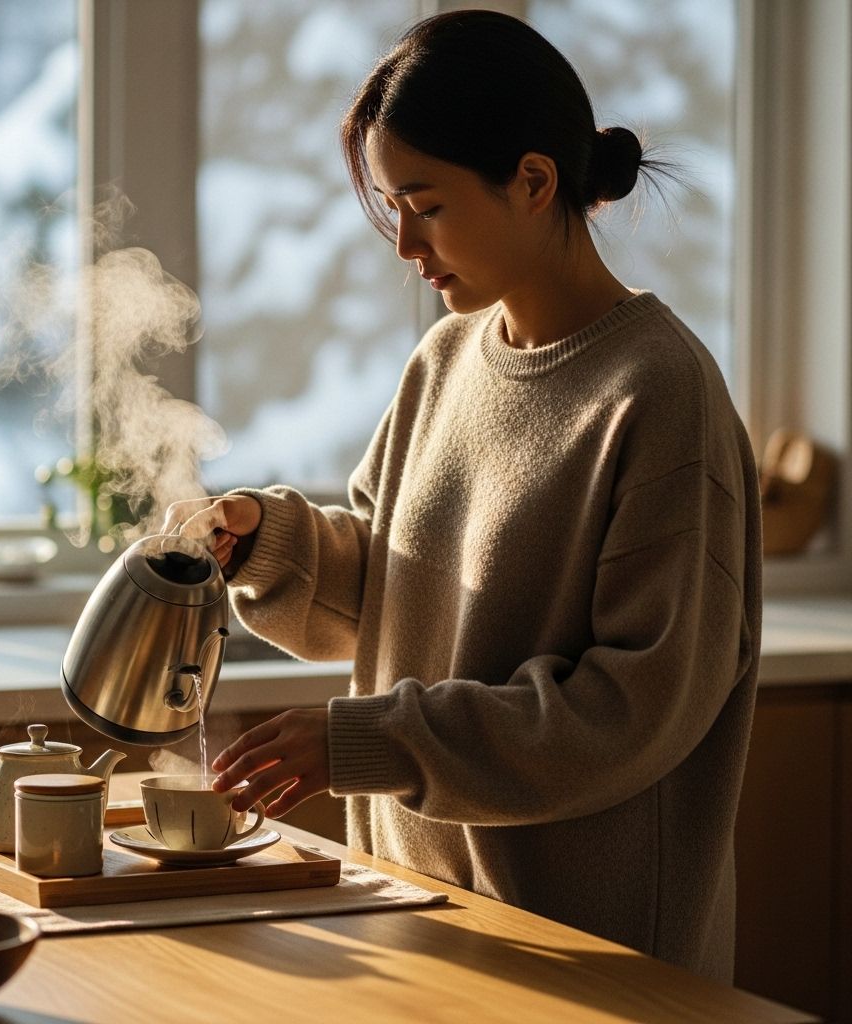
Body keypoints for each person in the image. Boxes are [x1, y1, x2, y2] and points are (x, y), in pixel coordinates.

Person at [164, 9, 760, 983]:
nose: (404, 242)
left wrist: (368, 742)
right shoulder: (445, 360)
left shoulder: (659, 395)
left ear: (533, 181)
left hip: (586, 957)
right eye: (393, 205)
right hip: (416, 912)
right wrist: (270, 540)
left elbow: (630, 712)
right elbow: (395, 589)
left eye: (426, 204)